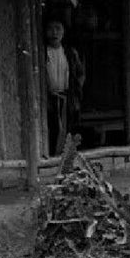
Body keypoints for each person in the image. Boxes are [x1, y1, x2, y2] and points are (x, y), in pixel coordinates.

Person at [44, 19, 85, 156]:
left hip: (67, 99)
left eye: (58, 28)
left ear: (63, 32)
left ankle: (66, 161)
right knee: (52, 130)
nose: (54, 33)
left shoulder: (70, 53)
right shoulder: (43, 52)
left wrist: (75, 92)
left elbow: (80, 74)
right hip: (49, 99)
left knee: (68, 131)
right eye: (51, 28)